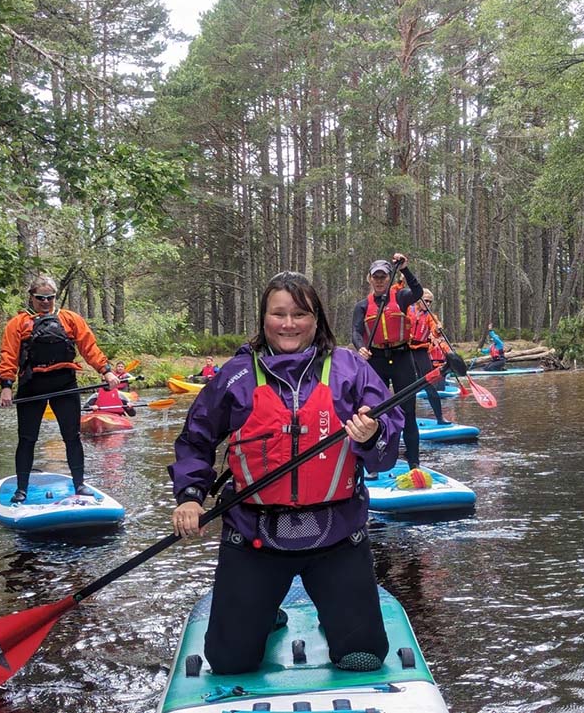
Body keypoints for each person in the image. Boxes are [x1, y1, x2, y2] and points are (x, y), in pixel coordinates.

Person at [169, 271, 403, 675]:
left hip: (338, 534)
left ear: (317, 319)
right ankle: (265, 610)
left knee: (362, 659)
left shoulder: (350, 369)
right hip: (254, 536)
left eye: (300, 314)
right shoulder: (237, 375)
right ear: (264, 319)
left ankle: (332, 614)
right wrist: (191, 496)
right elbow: (196, 440)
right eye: (279, 314)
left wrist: (371, 435)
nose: (289, 324)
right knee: (230, 663)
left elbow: (385, 456)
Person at [0, 274, 120, 503]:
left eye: (50, 297)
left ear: (55, 297)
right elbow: (9, 355)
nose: (45, 301)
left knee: (72, 437)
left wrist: (106, 371)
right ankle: (21, 489)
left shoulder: (70, 319)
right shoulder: (18, 323)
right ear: (31, 297)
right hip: (32, 385)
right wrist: (6, 385)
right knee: (27, 439)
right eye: (40, 297)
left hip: (64, 384)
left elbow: (89, 347)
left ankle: (79, 484)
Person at [351, 254, 424, 469]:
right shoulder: (363, 306)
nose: (380, 280)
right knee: (374, 413)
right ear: (370, 279)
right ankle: (374, 463)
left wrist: (406, 269)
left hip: (402, 357)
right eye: (376, 277)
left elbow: (418, 293)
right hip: (376, 360)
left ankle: (414, 465)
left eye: (384, 276)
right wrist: (360, 347)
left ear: (389, 277)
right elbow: (356, 331)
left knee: (409, 412)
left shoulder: (401, 297)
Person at [408, 289, 449, 425]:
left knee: (429, 383)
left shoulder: (431, 317)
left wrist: (437, 330)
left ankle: (440, 418)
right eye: (426, 300)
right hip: (406, 350)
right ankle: (405, 419)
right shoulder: (408, 310)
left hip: (421, 350)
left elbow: (434, 331)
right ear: (419, 300)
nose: (428, 304)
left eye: (430, 302)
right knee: (406, 385)